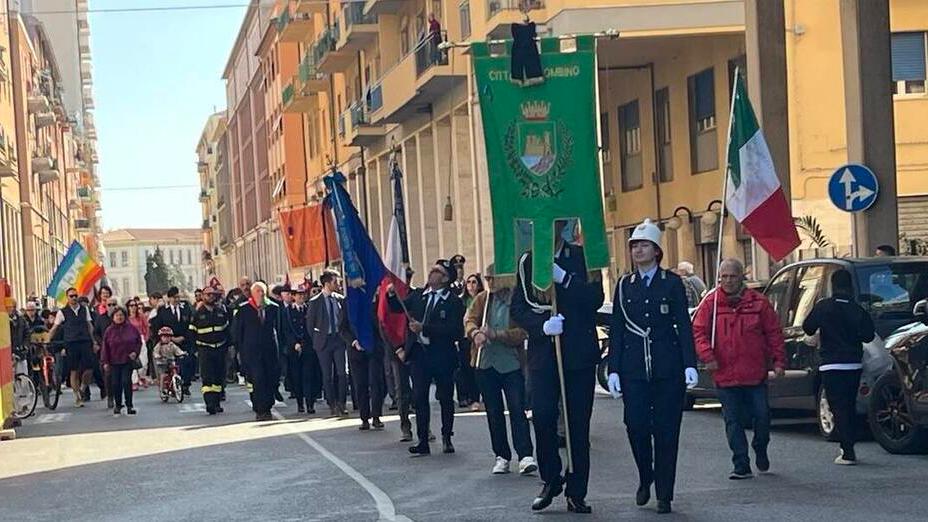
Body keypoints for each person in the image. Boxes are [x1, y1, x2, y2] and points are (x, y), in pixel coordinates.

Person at [607, 219, 698, 515]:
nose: (637, 250)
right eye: (634, 245)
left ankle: (665, 493)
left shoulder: (672, 283)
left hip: (666, 367)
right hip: (634, 368)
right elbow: (618, 329)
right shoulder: (624, 285)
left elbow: (682, 325)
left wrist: (689, 363)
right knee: (634, 425)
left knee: (667, 430)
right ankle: (646, 475)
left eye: (643, 245)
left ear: (657, 251)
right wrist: (614, 369)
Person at [511, 233, 604, 514]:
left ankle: (577, 490)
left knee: (577, 425)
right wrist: (541, 325)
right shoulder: (529, 261)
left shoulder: (582, 257)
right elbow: (518, 307)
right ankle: (551, 479)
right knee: (542, 417)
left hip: (577, 353)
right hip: (544, 354)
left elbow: (595, 299)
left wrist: (565, 279)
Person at [692, 258, 786, 479]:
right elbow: (697, 332)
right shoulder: (711, 304)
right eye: (723, 276)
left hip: (754, 374)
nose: (728, 281)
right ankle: (741, 463)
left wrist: (779, 361)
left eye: (732, 276)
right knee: (732, 421)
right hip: (725, 375)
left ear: (741, 276)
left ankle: (760, 447)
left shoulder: (759, 303)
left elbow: (774, 333)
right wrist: (707, 356)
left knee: (762, 416)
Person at [387, 259, 465, 456]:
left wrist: (425, 328)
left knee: (445, 397)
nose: (432, 272)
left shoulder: (453, 301)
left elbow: (455, 331)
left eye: (437, 271)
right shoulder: (420, 296)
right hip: (420, 355)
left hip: (442, 355)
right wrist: (390, 295)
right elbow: (399, 307)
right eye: (432, 269)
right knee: (419, 396)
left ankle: (447, 436)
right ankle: (423, 439)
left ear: (445, 278)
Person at [465, 263, 537, 476]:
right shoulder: (482, 300)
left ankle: (525, 455)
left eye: (493, 278)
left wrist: (498, 335)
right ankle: (501, 455)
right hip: (485, 363)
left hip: (511, 364)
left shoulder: (516, 302)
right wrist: (475, 333)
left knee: (517, 409)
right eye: (487, 279)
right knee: (494, 412)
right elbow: (469, 320)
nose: (490, 283)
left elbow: (523, 331)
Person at [802, 269, 876, 465]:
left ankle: (847, 450)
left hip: (831, 364)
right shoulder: (857, 309)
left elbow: (807, 327)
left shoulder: (824, 307)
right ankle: (848, 445)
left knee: (837, 406)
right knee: (849, 404)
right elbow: (868, 335)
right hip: (853, 363)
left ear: (832, 286)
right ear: (850, 286)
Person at [306, 270, 358, 417]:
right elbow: (310, 325)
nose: (338, 284)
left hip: (339, 340)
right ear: (327, 283)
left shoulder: (340, 299)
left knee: (343, 373)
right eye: (335, 282)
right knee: (327, 375)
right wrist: (318, 338)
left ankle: (342, 403)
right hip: (324, 341)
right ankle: (332, 403)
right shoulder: (315, 302)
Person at [233, 282, 282, 421]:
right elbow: (238, 332)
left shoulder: (273, 308)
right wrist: (240, 352)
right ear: (253, 294)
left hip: (270, 351)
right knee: (258, 379)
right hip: (252, 352)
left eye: (263, 291)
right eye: (258, 291)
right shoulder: (244, 309)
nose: (261, 294)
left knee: (270, 379)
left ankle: (268, 405)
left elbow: (279, 329)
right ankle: (260, 409)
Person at [47, 288, 97, 407]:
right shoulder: (62, 312)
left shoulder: (84, 309)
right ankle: (77, 397)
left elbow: (90, 326)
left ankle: (83, 388)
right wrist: (47, 338)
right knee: (73, 370)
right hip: (71, 342)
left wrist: (94, 341)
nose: (74, 298)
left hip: (85, 341)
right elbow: (55, 327)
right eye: (71, 296)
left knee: (89, 368)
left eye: (75, 295)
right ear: (67, 297)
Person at [189, 286, 231, 415]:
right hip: (204, 349)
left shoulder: (221, 312)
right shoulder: (197, 314)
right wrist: (195, 350)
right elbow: (191, 333)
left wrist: (227, 346)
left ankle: (217, 402)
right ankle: (209, 403)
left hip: (220, 349)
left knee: (218, 377)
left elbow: (226, 330)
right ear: (203, 296)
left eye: (213, 295)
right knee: (207, 378)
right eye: (208, 295)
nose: (211, 297)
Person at [350, 298, 387, 431]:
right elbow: (343, 327)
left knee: (376, 382)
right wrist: (354, 341)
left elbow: (382, 324)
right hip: (356, 351)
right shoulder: (348, 302)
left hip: (374, 348)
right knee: (360, 384)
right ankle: (364, 417)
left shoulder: (376, 302)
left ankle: (376, 416)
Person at [150, 287, 193, 395]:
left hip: (184, 340)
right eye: (174, 297)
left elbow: (190, 324)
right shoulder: (163, 311)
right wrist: (169, 338)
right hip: (169, 342)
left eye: (178, 297)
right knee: (171, 365)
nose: (177, 299)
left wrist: (184, 337)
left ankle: (185, 384)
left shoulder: (186, 308)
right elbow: (158, 326)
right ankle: (172, 386)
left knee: (187, 362)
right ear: (169, 298)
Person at [100, 306, 142, 416]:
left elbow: (138, 342)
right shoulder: (109, 331)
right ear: (113, 317)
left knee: (126, 382)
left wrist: (135, 352)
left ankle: (129, 405)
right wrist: (105, 362)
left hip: (127, 360)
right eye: (117, 315)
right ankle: (118, 405)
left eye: (121, 315)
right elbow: (105, 347)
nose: (119, 317)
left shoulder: (131, 328)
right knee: (115, 384)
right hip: (113, 361)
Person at [282, 284, 316, 414]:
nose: (301, 297)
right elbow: (286, 330)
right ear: (293, 296)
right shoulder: (287, 311)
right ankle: (300, 403)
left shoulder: (309, 309)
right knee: (296, 377)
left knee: (309, 376)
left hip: (308, 347)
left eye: (303, 295)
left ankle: (310, 403)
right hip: (294, 349)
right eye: (298, 295)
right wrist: (294, 343)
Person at [457, 273, 483, 410]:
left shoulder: (482, 299)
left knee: (476, 368)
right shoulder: (461, 301)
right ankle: (464, 396)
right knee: (464, 368)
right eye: (469, 282)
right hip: (464, 338)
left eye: (474, 282)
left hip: (478, 338)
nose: (471, 285)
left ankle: (475, 398)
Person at [126, 299, 151, 389]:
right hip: (129, 340)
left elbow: (146, 327)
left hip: (140, 338)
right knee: (132, 360)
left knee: (144, 361)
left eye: (135, 305)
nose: (133, 308)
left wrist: (146, 337)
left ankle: (142, 376)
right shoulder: (126, 318)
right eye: (131, 306)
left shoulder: (141, 316)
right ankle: (134, 381)